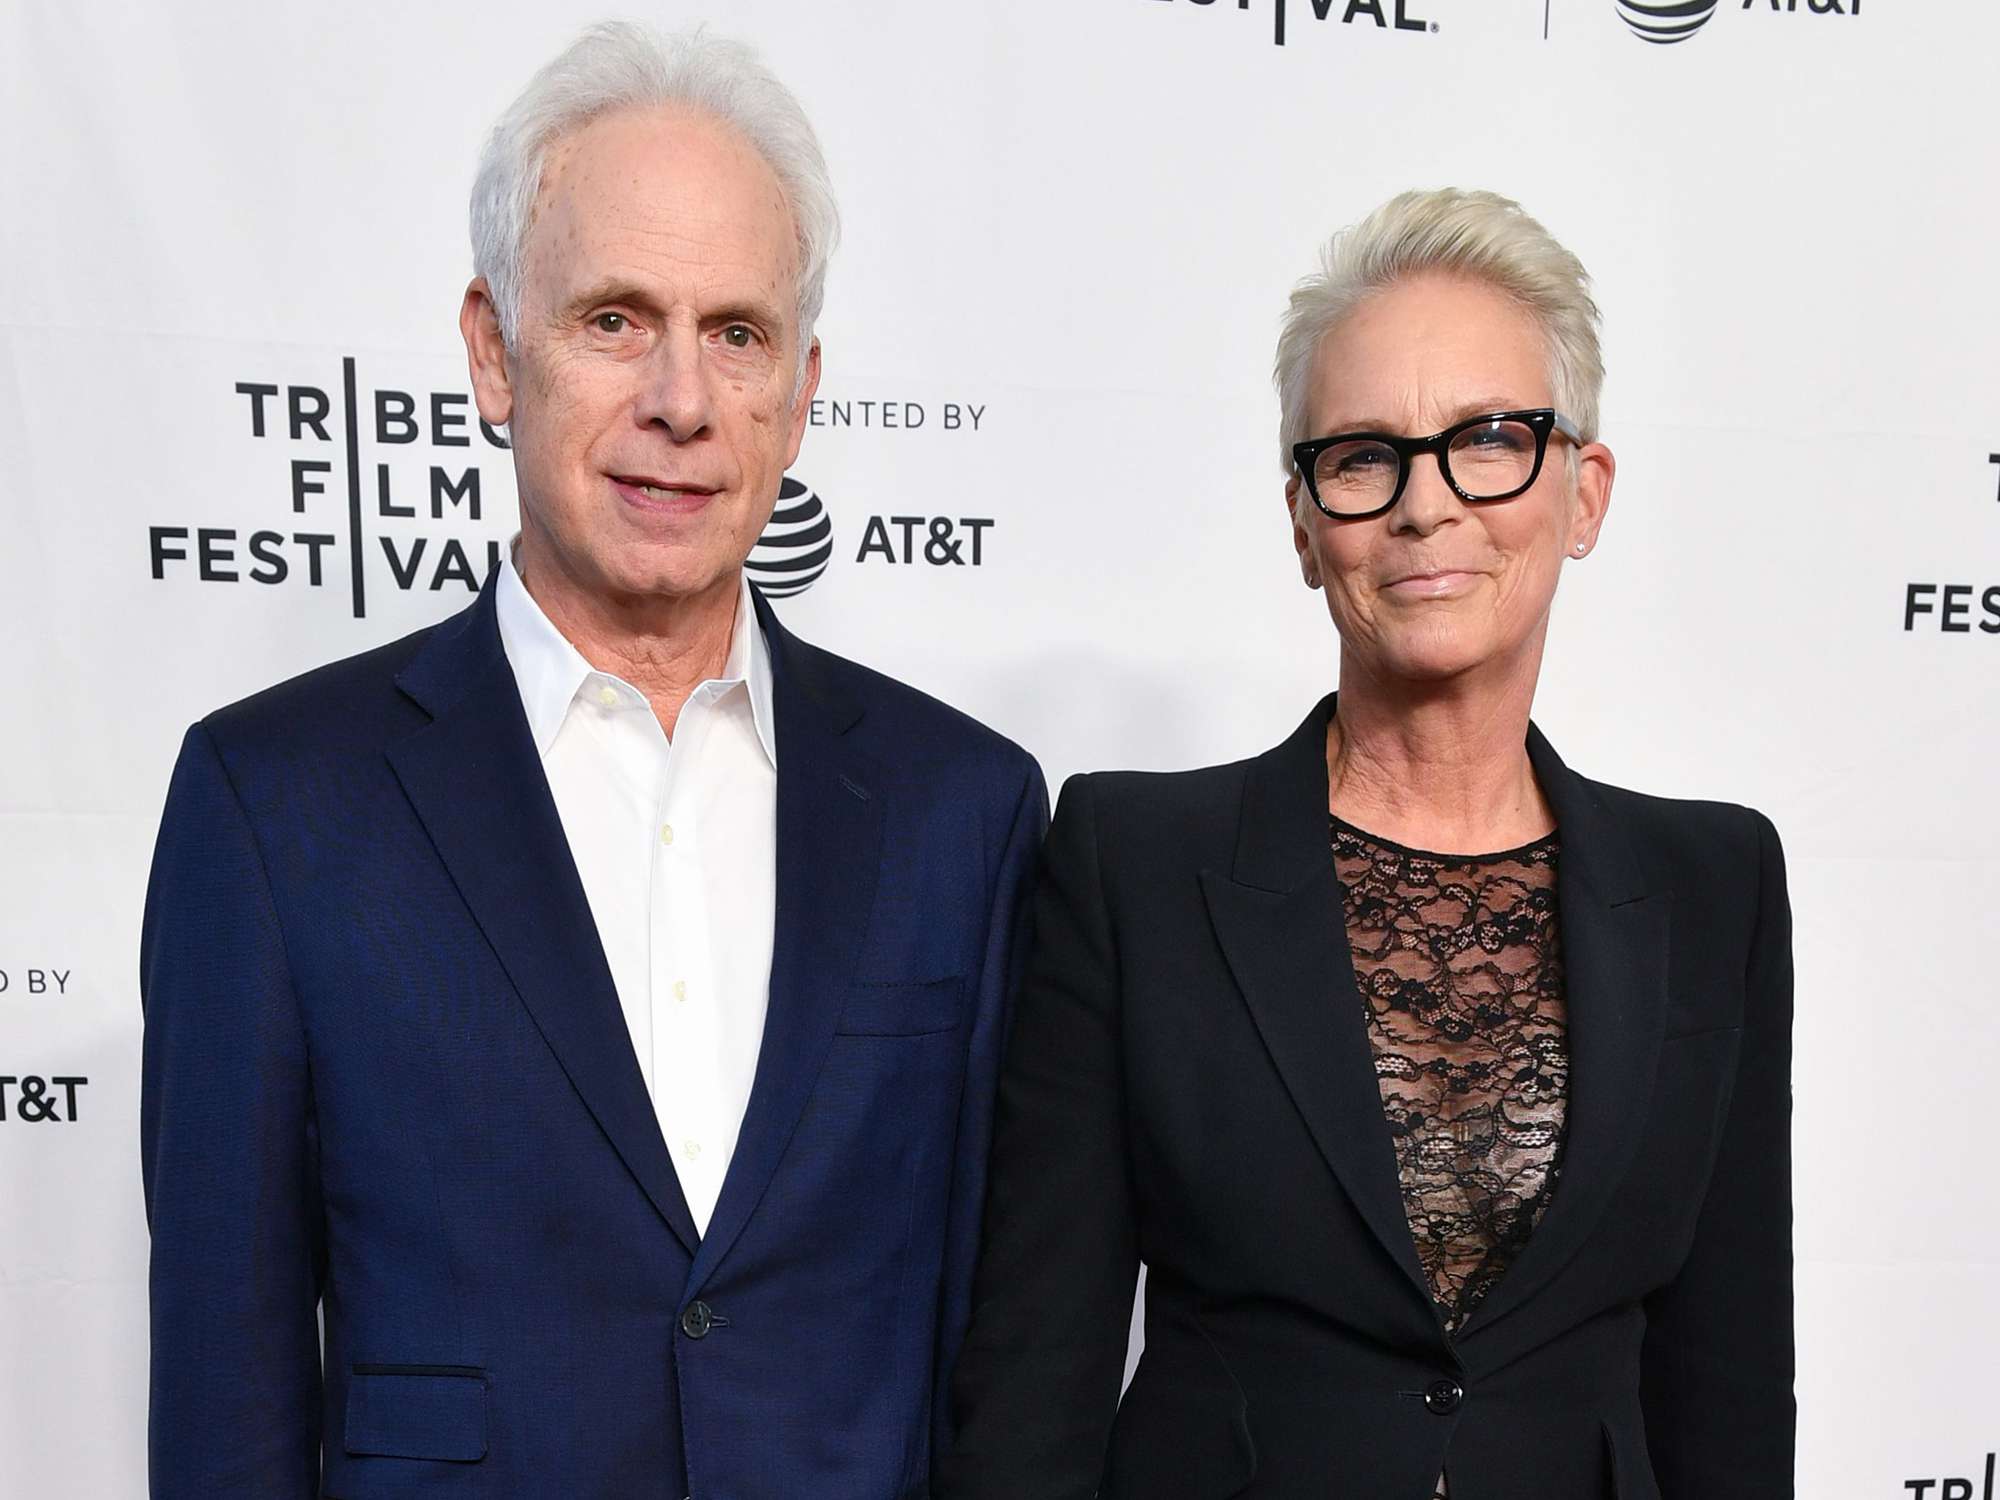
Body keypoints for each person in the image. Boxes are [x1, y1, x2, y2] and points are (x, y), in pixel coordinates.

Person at [139, 22, 1045, 1498]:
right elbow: (224, 1411)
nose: (681, 401)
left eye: (736, 333)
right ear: (495, 354)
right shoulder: (276, 804)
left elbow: (987, 1366)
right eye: (615, 319)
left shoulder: (967, 810)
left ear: (801, 392)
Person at [940, 188, 1793, 1499]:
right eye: (1362, 456)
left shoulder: (1715, 888)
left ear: (1584, 490)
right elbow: (1034, 1381)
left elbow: (1725, 1393)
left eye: (1490, 439)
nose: (1426, 506)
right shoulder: (1134, 863)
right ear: (1302, 519)